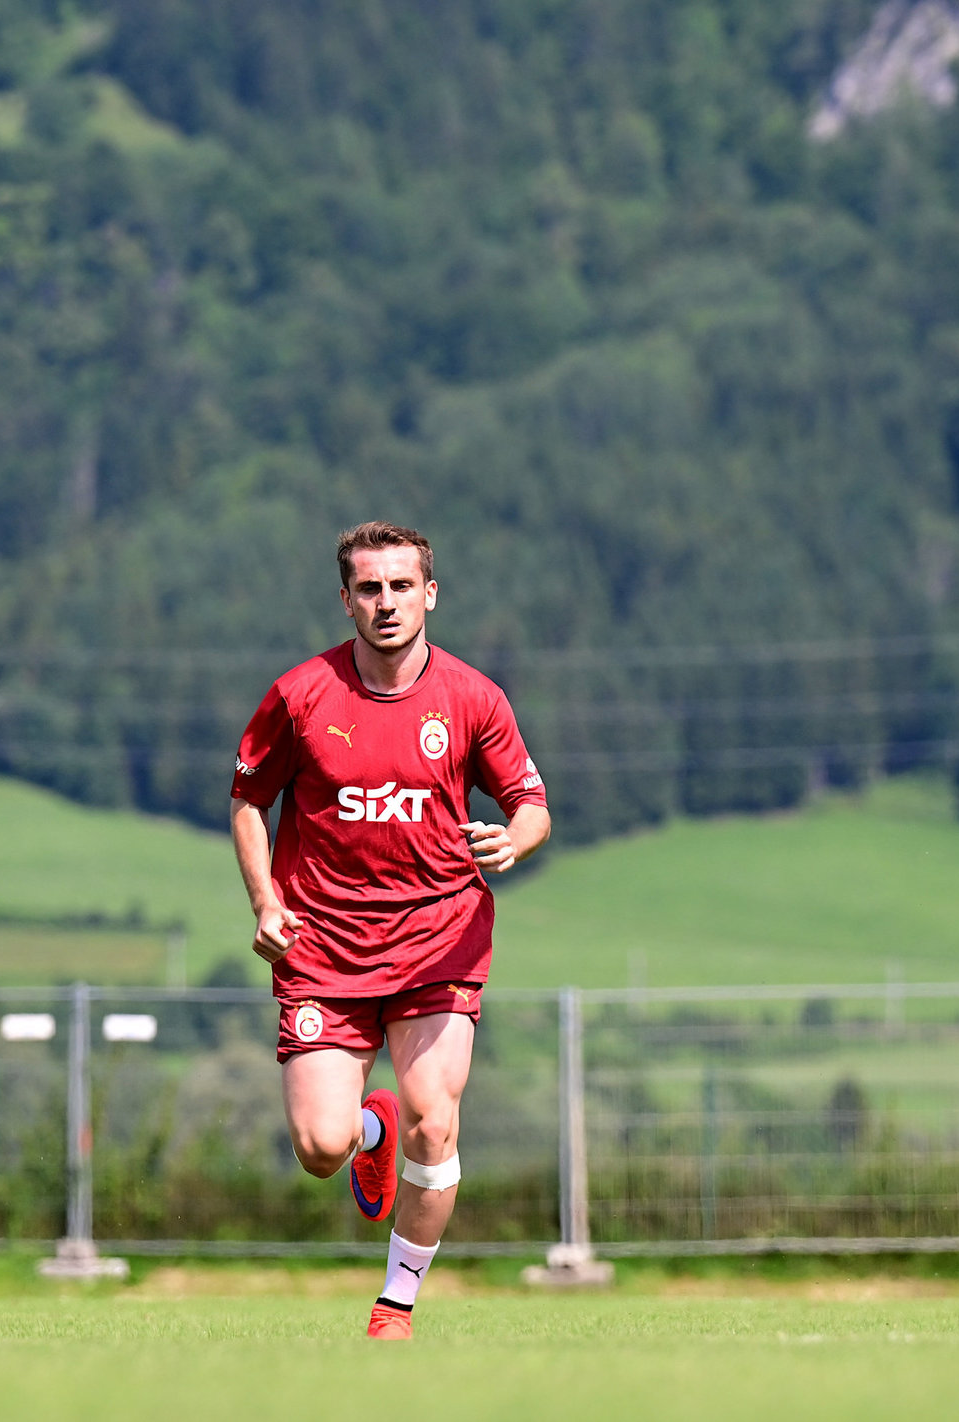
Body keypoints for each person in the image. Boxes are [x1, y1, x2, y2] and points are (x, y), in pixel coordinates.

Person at [230, 521, 550, 1341]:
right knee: (318, 1146)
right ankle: (366, 1131)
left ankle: (394, 1305)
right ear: (345, 600)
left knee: (433, 1116)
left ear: (430, 593)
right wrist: (266, 901)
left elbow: (531, 806)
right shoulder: (300, 695)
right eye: (368, 589)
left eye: (401, 586)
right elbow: (247, 802)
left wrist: (512, 839)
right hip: (324, 951)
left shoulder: (472, 698)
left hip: (440, 938)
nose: (385, 603)